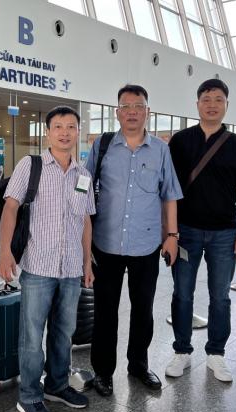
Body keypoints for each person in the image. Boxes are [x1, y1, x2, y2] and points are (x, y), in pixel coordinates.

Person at [0, 106, 95, 412]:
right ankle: (29, 396)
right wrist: (4, 252)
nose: (64, 132)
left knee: (63, 333)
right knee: (31, 334)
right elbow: (10, 208)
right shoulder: (32, 165)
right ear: (48, 132)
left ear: (78, 131)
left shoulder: (83, 175)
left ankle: (56, 385)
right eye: (58, 127)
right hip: (38, 267)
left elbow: (84, 220)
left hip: (70, 270)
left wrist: (86, 262)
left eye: (70, 126)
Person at [87, 84, 183, 396]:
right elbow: (82, 191)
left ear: (147, 112)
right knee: (105, 310)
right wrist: (81, 241)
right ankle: (102, 372)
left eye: (138, 106)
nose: (132, 111)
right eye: (126, 106)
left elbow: (169, 195)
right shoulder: (101, 147)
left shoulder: (160, 149)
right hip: (105, 243)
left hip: (146, 244)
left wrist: (172, 236)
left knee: (143, 309)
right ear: (117, 112)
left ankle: (138, 365)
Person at [165, 78, 236, 383]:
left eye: (218, 99)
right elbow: (170, 191)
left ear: (226, 105)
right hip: (187, 231)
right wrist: (171, 234)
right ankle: (182, 351)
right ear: (197, 104)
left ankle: (216, 354)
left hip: (224, 233)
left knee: (220, 296)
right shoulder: (181, 141)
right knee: (183, 294)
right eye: (206, 98)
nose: (212, 104)